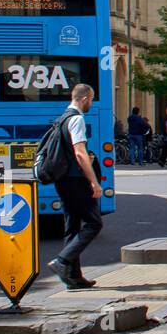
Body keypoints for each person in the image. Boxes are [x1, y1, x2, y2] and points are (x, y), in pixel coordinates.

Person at [48, 83, 104, 290]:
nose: (92, 102)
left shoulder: (61, 118)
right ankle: (62, 261)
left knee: (72, 226)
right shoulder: (77, 119)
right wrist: (93, 181)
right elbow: (79, 152)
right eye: (91, 99)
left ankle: (73, 277)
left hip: (62, 179)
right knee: (94, 223)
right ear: (84, 99)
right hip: (74, 179)